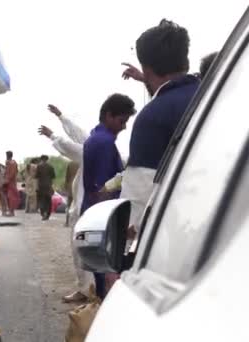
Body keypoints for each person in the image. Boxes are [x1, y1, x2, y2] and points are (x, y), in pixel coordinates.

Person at [120, 19, 200, 235]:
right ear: (185, 60)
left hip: (177, 243)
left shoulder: (151, 117)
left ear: (146, 68)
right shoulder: (214, 97)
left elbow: (139, 201)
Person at [83, 93, 136, 299]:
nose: (123, 127)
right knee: (107, 272)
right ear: (108, 115)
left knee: (100, 271)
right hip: (102, 215)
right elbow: (102, 190)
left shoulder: (96, 138)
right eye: (122, 121)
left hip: (93, 212)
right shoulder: (104, 142)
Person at [39, 105, 92, 302]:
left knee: (82, 248)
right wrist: (61, 117)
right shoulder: (100, 141)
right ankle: (89, 288)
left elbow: (73, 147)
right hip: (86, 204)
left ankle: (87, 289)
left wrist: (53, 135)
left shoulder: (96, 146)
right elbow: (79, 135)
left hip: (86, 206)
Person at [35, 155, 56, 221]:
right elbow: (53, 177)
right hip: (48, 186)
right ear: (47, 159)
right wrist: (52, 186)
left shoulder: (39, 166)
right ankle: (47, 214)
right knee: (48, 200)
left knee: (41, 200)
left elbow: (36, 177)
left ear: (41, 159)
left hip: (41, 186)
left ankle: (43, 213)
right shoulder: (51, 167)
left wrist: (36, 186)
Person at [4, 151, 19, 216]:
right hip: (10, 182)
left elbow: (11, 174)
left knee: (11, 197)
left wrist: (7, 180)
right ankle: (11, 211)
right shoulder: (11, 163)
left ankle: (11, 211)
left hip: (11, 183)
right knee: (9, 197)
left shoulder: (12, 163)